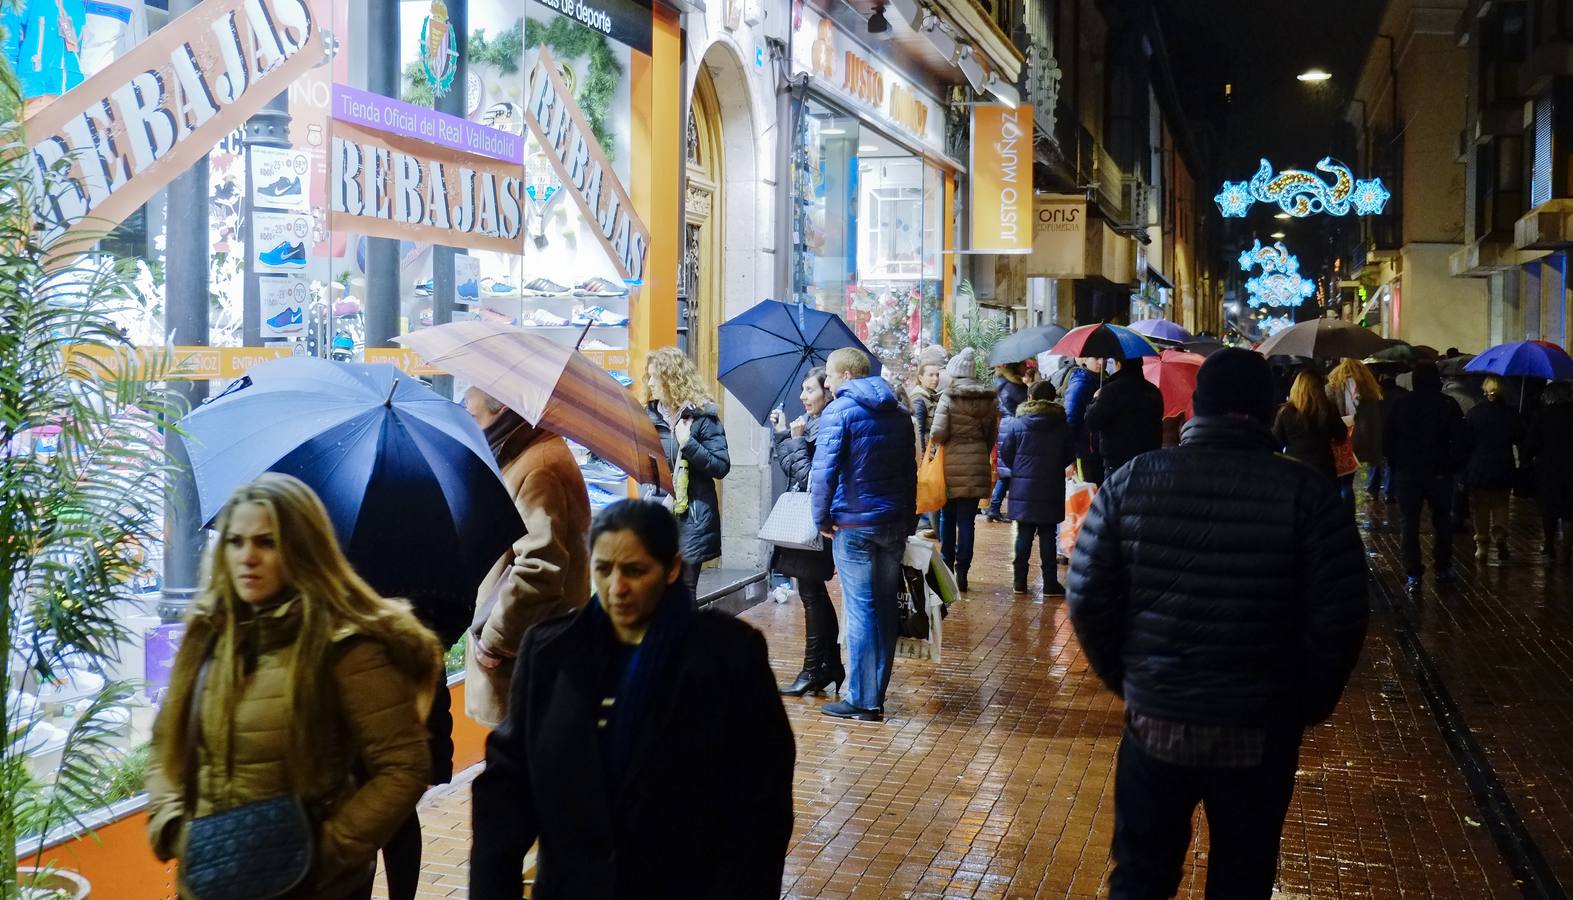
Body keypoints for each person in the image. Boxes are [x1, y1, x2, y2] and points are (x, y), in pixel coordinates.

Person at [1066, 350, 1368, 899]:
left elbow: (1088, 595)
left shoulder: (1135, 480)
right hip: (1259, 724)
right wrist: (1305, 702)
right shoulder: (1306, 495)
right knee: (1243, 875)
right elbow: (1340, 616)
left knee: (1140, 873)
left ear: (1197, 407)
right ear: (1266, 409)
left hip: (1159, 718)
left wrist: (1131, 679)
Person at [469, 500, 795, 899]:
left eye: (635, 571)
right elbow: (506, 793)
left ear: (672, 569)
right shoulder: (552, 652)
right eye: (603, 569)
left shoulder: (729, 656)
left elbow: (760, 810)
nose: (616, 588)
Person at [145, 474, 443, 900]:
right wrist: (173, 826)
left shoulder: (345, 645)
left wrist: (327, 853)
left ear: (302, 548)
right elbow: (165, 742)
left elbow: (404, 767)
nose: (248, 557)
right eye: (236, 541)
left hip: (311, 887)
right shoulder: (208, 632)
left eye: (267, 543)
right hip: (213, 879)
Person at [462, 388, 592, 728]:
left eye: (474, 417)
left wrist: (494, 642)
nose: (471, 425)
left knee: (524, 764)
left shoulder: (539, 466)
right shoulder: (524, 453)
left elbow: (538, 567)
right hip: (529, 655)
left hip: (525, 657)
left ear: (502, 407)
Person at [811, 347, 917, 722]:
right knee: (885, 607)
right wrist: (908, 519)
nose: (826, 381)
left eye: (829, 374)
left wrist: (820, 518)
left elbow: (823, 472)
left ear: (846, 375)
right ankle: (875, 694)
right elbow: (910, 471)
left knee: (860, 608)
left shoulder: (838, 411)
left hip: (853, 525)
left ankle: (862, 699)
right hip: (891, 524)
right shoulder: (900, 414)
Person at [769, 367, 843, 697]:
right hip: (807, 521)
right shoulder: (812, 423)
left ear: (828, 393)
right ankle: (828, 665)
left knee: (812, 595)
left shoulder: (827, 426)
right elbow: (792, 467)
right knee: (811, 594)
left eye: (810, 390)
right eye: (802, 389)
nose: (803, 396)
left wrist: (794, 441)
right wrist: (785, 435)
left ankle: (814, 668)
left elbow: (810, 477)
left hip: (815, 521)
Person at [643, 346, 731, 602]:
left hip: (692, 517)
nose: (649, 383)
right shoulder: (647, 416)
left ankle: (684, 641)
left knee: (684, 590)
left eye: (654, 377)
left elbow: (721, 466)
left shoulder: (702, 417)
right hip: (659, 512)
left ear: (671, 379)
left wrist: (688, 443)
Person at [1384, 362, 1469, 591]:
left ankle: (1413, 572)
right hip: (1439, 472)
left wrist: (1396, 464)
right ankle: (1443, 566)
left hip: (1408, 472)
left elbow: (1388, 440)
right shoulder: (1447, 404)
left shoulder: (1401, 405)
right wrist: (1453, 465)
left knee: (1408, 523)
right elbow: (1460, 439)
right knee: (1442, 520)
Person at [927, 348, 998, 592]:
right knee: (968, 521)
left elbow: (937, 433)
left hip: (950, 466)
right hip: (977, 463)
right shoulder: (989, 400)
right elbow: (991, 437)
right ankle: (963, 573)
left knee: (948, 517)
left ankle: (946, 567)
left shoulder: (948, 398)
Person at [997, 380, 1075, 596]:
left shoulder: (1018, 423)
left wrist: (1021, 469)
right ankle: (1050, 583)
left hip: (1024, 488)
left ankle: (1019, 581)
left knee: (1024, 534)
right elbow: (1069, 454)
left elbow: (1006, 453)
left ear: (1030, 397)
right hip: (1051, 486)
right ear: (1053, 399)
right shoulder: (1061, 425)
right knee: (1048, 534)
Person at [1463, 375, 1523, 564]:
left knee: (1481, 506)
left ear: (1484, 390)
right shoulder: (1511, 414)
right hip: (1503, 464)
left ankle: (1482, 545)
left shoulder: (1474, 413)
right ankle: (1500, 534)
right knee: (1501, 503)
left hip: (1479, 465)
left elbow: (1467, 441)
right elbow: (1518, 438)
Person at [1085, 357, 1164, 478]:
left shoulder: (1110, 391)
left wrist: (1095, 399)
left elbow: (1092, 422)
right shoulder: (1153, 391)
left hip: (1118, 466)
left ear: (1118, 363)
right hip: (1149, 464)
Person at [1524, 382, 1573, 560]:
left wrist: (1527, 458)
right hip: (1570, 469)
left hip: (1547, 469)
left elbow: (1531, 444)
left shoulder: (1542, 415)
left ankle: (1549, 546)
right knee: (1569, 512)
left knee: (1548, 510)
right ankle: (1567, 550)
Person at [1327, 358, 1384, 506]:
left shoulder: (1333, 386)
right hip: (1360, 438)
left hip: (1338, 438)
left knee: (1338, 481)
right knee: (1347, 482)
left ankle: (1337, 514)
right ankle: (1348, 517)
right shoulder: (1369, 389)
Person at [1271, 370, 1347, 480]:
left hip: (1294, 466)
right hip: (1323, 466)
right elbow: (1341, 435)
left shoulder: (1285, 412)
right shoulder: (1328, 409)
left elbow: (1276, 441)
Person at [987, 362, 1030, 522]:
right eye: (1023, 365)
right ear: (1015, 367)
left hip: (1004, 425)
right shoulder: (1016, 386)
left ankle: (994, 507)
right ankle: (998, 508)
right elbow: (1024, 406)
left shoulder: (999, 381)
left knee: (1005, 472)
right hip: (1015, 426)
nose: (1026, 368)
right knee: (1010, 470)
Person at [909, 359, 944, 535]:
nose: (935, 378)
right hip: (928, 454)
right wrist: (922, 459)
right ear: (920, 377)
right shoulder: (919, 399)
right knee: (930, 492)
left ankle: (933, 527)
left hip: (934, 452)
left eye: (937, 375)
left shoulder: (931, 396)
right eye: (931, 375)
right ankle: (938, 531)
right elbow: (919, 430)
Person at [1369, 370, 1409, 504]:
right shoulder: (1403, 394)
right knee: (1391, 463)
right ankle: (1389, 492)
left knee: (1375, 463)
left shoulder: (1373, 393)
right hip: (1395, 433)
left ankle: (1372, 491)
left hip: (1376, 432)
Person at [1064, 357, 1104, 483]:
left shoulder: (1101, 380)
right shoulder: (1080, 385)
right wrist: (1070, 458)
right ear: (1085, 360)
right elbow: (1070, 419)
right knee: (1090, 490)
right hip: (1086, 451)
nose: (1101, 362)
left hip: (1099, 449)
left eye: (1104, 358)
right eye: (1096, 358)